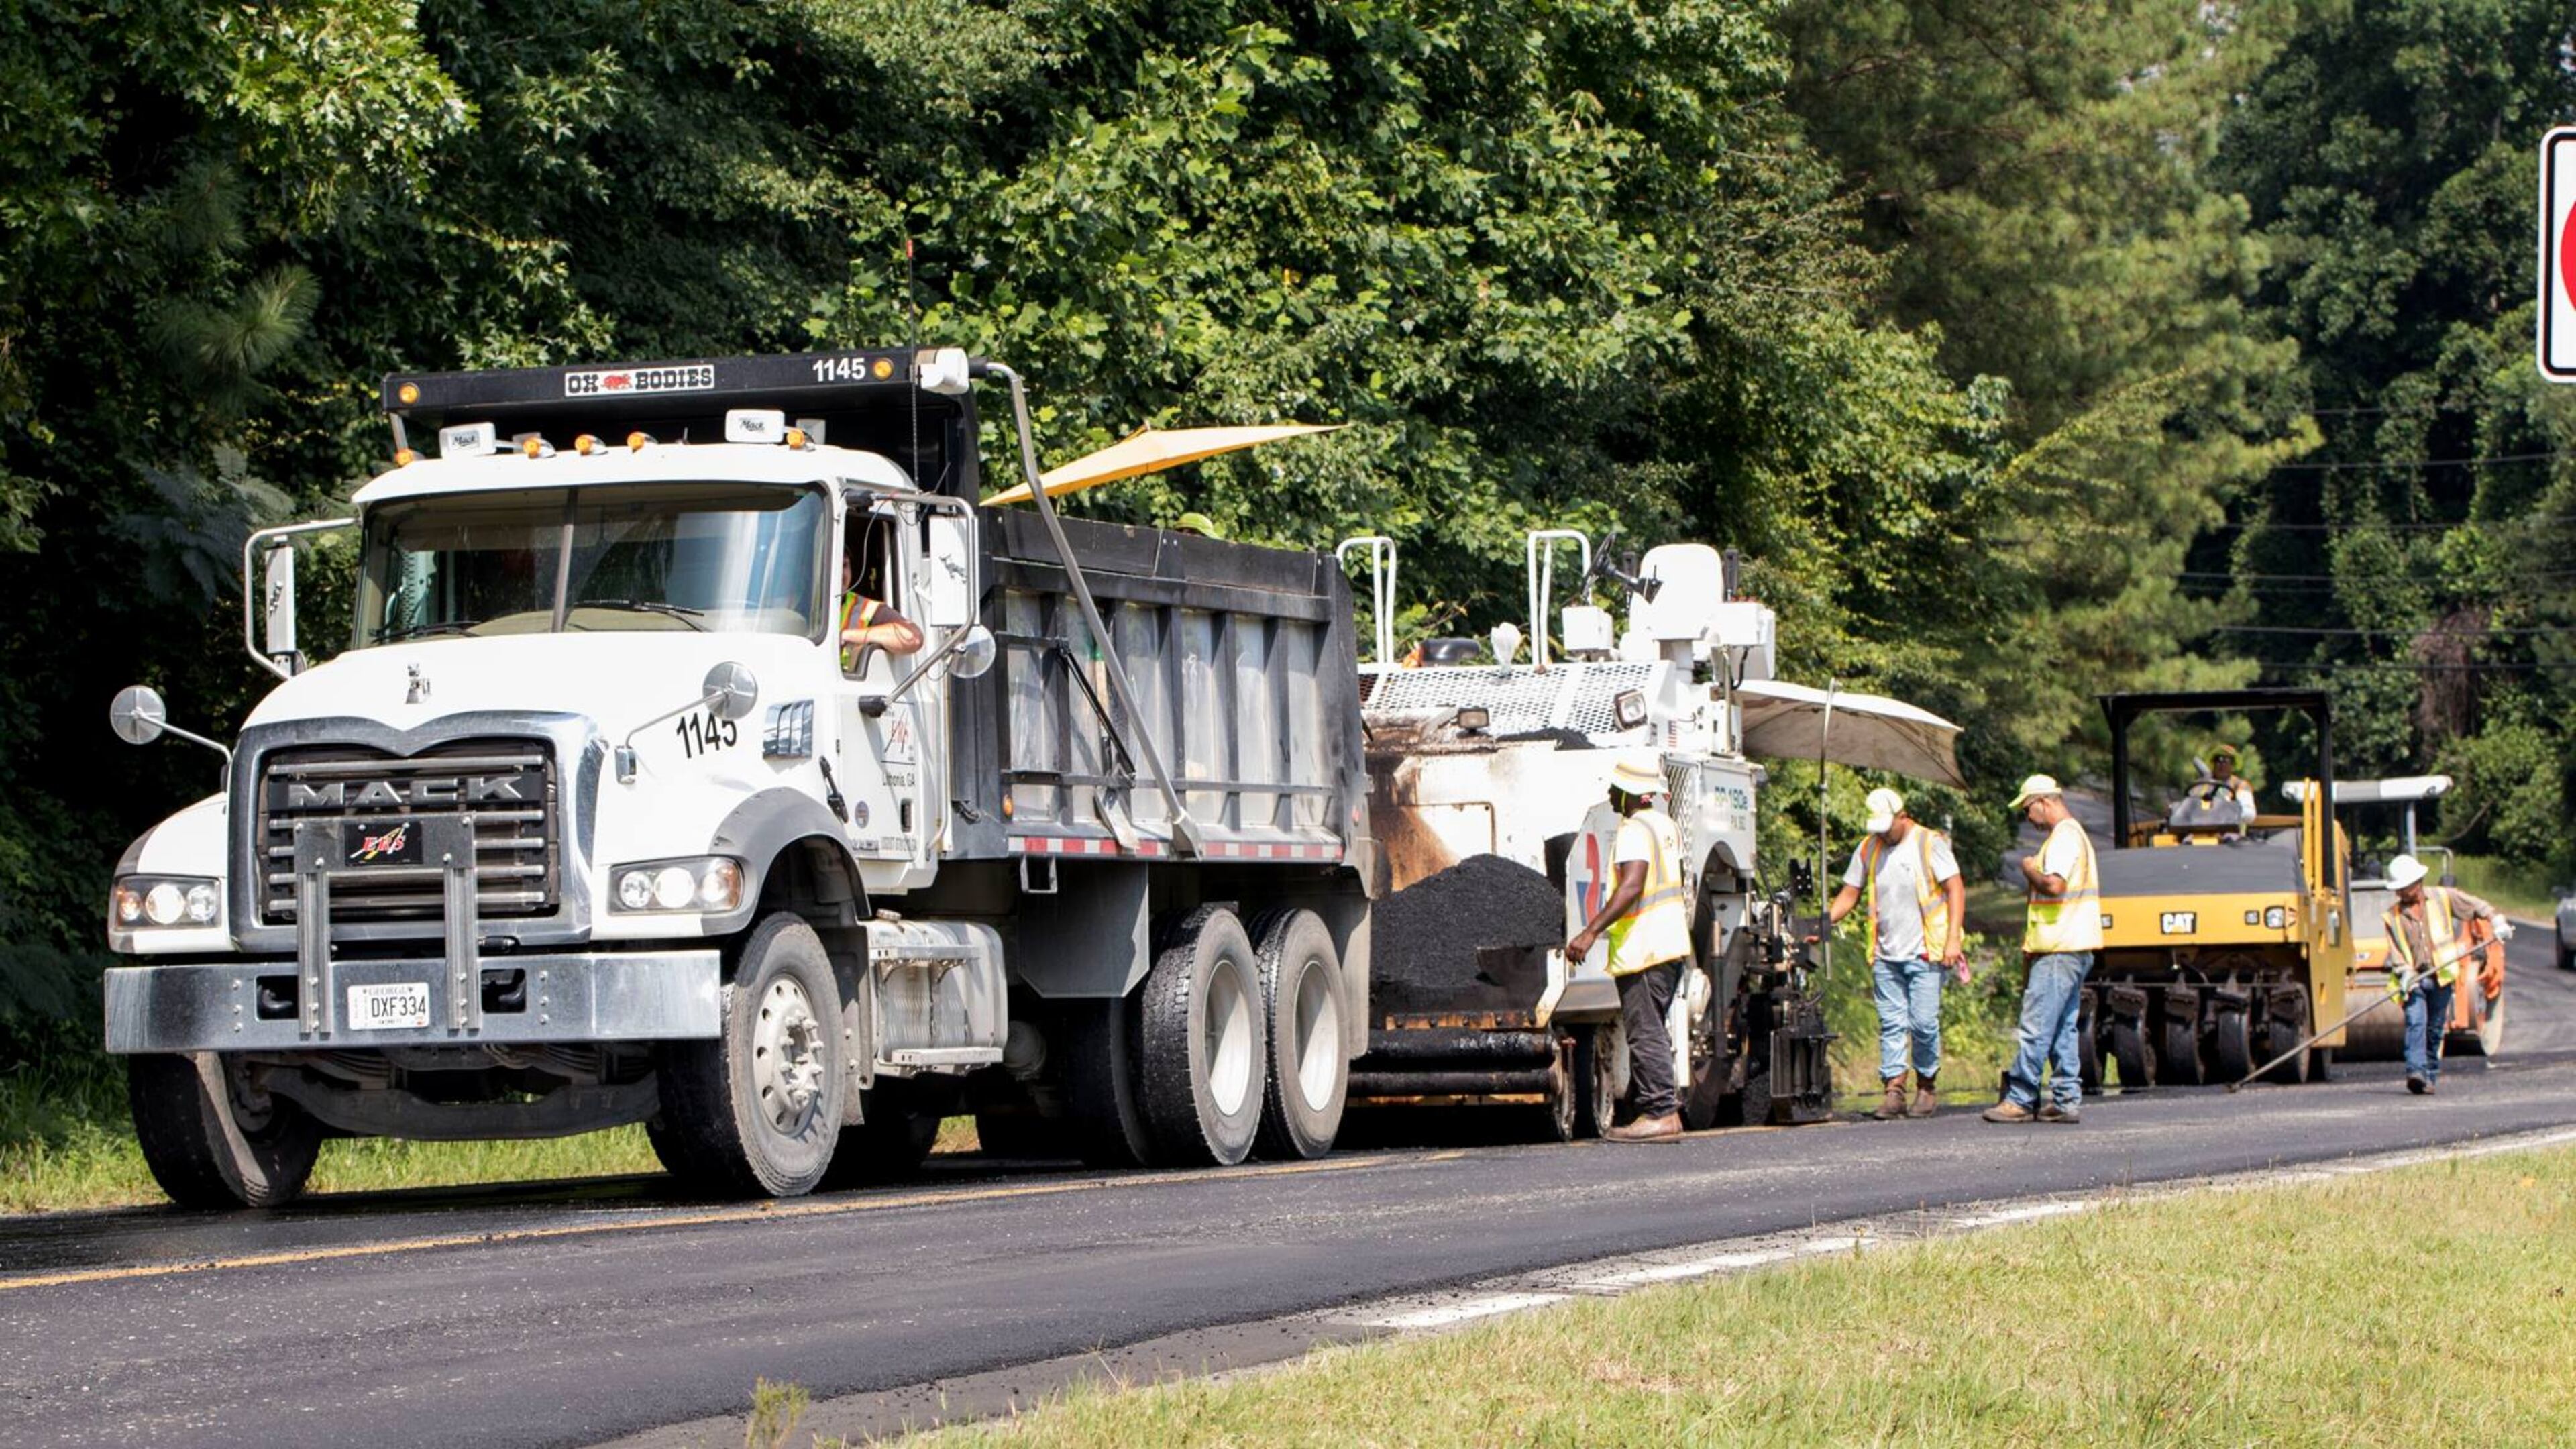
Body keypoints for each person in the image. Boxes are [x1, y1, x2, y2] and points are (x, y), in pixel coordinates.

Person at [1566, 755, 1694, 1142]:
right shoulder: (1665, 825)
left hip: (1645, 948)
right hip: (1669, 945)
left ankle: (1660, 1113)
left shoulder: (1634, 830)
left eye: (1616, 789)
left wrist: (1590, 932)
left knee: (1645, 1031)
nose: (1610, 794)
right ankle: (1661, 1109)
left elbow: (1632, 885)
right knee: (1652, 1028)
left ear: (1632, 795)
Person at [1818, 787, 1966, 1120]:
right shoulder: (1869, 847)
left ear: (1903, 816)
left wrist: (1954, 938)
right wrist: (1823, 923)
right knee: (1891, 1024)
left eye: (1888, 826)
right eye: (1879, 828)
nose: (1883, 833)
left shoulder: (1930, 843)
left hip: (1927, 952)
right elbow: (1850, 894)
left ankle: (1926, 1086)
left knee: (1924, 1024)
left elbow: (1956, 888)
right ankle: (1894, 1090)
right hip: (1886, 955)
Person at [1986, 775, 2100, 1124]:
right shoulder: (2073, 836)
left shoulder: (2064, 837)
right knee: (2063, 1027)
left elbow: (2053, 885)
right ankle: (2066, 1100)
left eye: (2027, 810)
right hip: (2072, 946)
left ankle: (2020, 1097)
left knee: (2036, 1025)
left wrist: (2028, 869)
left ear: (2044, 802)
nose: (2028, 819)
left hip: (2058, 948)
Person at [2381, 853, 2504, 1095]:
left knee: (2435, 1028)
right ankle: (2415, 1072)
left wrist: (2496, 920)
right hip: (2414, 979)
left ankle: (2429, 1076)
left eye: (2404, 888)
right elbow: (2396, 951)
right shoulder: (2392, 917)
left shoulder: (2442, 898)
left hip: (2442, 976)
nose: (2401, 894)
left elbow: (2475, 906)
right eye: (2399, 889)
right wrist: (2404, 973)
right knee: (2416, 1022)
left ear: (2418, 883)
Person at [839, 551, 923, 670]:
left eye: (844, 565)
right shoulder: (804, 607)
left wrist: (845, 636)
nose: (841, 573)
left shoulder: (865, 608)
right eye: (836, 566)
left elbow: (912, 638)